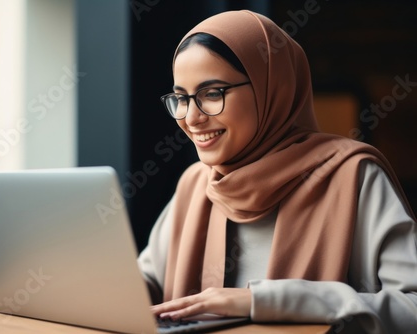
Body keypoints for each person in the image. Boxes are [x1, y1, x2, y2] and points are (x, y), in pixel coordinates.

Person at [136, 10, 417, 333]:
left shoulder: (352, 175)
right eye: (182, 98)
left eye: (212, 94)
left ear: (271, 88)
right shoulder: (197, 183)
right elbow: (146, 282)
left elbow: (412, 306)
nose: (191, 118)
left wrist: (263, 300)